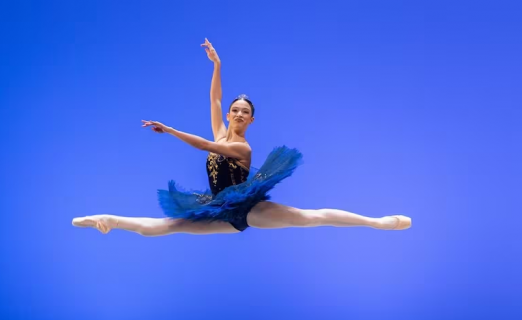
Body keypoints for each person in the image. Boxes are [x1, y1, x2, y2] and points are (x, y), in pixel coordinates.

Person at [72, 39, 411, 236]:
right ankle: (108, 219)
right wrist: (217, 65)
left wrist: (171, 130)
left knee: (311, 216)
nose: (235, 113)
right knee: (160, 228)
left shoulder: (240, 147)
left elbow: (207, 145)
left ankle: (377, 222)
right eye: (234, 110)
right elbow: (214, 100)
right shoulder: (222, 128)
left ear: (251, 119)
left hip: (249, 210)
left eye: (243, 112)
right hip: (218, 208)